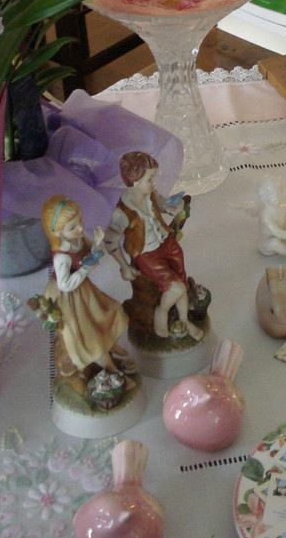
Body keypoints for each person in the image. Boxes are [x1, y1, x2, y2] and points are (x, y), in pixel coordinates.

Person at [105, 151, 203, 341]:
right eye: (150, 179)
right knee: (176, 288)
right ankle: (161, 312)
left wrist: (171, 208)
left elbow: (162, 204)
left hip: (167, 242)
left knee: (182, 283)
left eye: (154, 177)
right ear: (134, 180)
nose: (154, 183)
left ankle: (184, 320)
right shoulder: (122, 212)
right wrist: (124, 266)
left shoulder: (150, 194)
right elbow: (110, 240)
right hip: (147, 253)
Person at [40, 195, 131, 386]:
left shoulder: (78, 238)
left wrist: (97, 243)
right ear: (57, 232)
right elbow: (65, 284)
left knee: (110, 311)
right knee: (88, 334)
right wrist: (85, 269)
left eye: (80, 220)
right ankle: (108, 364)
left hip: (83, 289)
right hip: (68, 297)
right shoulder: (62, 257)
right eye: (72, 227)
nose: (80, 228)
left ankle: (110, 345)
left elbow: (92, 253)